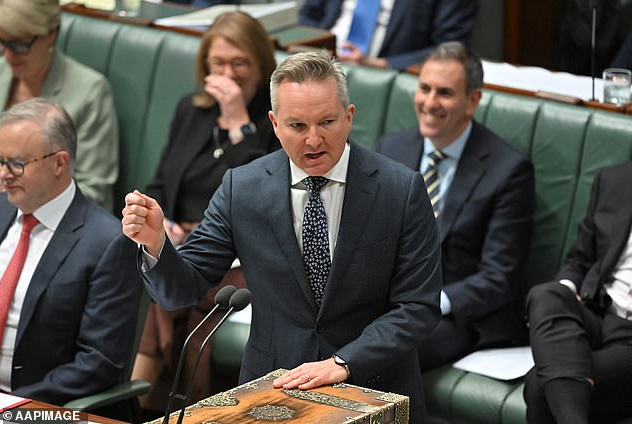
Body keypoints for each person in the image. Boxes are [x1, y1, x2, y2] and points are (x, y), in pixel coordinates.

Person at [122, 49, 442, 423]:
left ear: (349, 116)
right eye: (297, 126)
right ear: (274, 123)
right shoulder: (241, 188)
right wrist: (156, 243)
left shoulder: (400, 189)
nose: (313, 140)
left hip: (377, 389)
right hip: (274, 391)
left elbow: (417, 307)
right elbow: (182, 289)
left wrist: (344, 362)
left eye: (326, 122)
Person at [133, 10, 280, 408]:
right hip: (186, 241)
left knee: (173, 288)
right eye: (218, 62)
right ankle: (161, 407)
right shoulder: (191, 110)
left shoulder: (278, 120)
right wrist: (165, 225)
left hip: (246, 254)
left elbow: (261, 195)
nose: (228, 73)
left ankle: (142, 405)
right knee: (167, 269)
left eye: (240, 63)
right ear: (205, 66)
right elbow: (161, 183)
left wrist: (237, 123)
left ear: (260, 64)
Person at [377, 41, 535, 371]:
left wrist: (428, 303)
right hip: (392, 300)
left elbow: (499, 276)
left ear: (472, 100)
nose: (429, 103)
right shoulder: (392, 148)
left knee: (387, 354)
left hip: (460, 313)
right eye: (424, 88)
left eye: (445, 93)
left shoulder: (508, 170)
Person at [0, 98, 141, 405]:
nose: (4, 175)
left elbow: (98, 364)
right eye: (0, 161)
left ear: (59, 163)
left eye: (16, 164)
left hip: (34, 407)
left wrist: (10, 407)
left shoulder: (108, 243)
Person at [524, 161, 632, 424]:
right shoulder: (615, 179)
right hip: (600, 312)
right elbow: (579, 259)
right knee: (546, 295)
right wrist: (568, 290)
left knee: (539, 384)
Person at [0, 0, 119, 211]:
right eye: (2, 42)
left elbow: (94, 192)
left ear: (51, 33)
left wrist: (11, 190)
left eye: (19, 44)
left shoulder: (89, 91)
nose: (8, 55)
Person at [298, 0, 478, 71]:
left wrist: (383, 65)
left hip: (379, 73)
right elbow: (309, 14)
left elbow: (452, 48)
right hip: (319, 61)